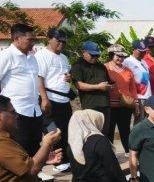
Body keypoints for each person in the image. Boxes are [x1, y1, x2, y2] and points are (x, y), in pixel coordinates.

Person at [0, 24, 43, 156]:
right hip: (17, 111)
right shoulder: (6, 56)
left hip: (34, 110)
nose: (33, 43)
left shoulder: (32, 58)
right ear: (17, 38)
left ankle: (35, 176)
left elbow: (36, 81)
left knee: (35, 145)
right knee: (20, 148)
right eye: (29, 40)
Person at [35, 27, 72, 172]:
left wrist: (69, 78)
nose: (61, 44)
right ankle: (57, 161)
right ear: (49, 39)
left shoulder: (64, 57)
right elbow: (39, 78)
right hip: (49, 100)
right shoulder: (42, 55)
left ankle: (66, 160)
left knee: (66, 131)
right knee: (53, 131)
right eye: (58, 40)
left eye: (64, 41)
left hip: (63, 100)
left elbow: (63, 76)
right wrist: (44, 99)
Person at [105, 44, 138, 153]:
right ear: (111, 55)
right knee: (109, 130)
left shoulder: (128, 71)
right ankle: (109, 154)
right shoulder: (105, 68)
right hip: (110, 105)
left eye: (122, 56)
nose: (120, 58)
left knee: (125, 130)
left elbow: (133, 88)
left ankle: (129, 153)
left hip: (126, 104)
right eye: (117, 56)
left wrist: (135, 103)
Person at [72, 41, 111, 135]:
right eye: (92, 55)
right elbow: (79, 85)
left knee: (104, 133)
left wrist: (109, 86)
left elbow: (110, 82)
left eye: (97, 56)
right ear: (84, 53)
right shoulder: (78, 66)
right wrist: (98, 87)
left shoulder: (101, 66)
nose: (95, 58)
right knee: (92, 134)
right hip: (90, 106)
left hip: (105, 105)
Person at [123, 39, 151, 123]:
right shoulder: (127, 61)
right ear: (134, 50)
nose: (143, 53)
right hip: (138, 97)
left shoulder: (144, 62)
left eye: (144, 51)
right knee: (139, 121)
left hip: (148, 96)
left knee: (147, 121)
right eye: (140, 51)